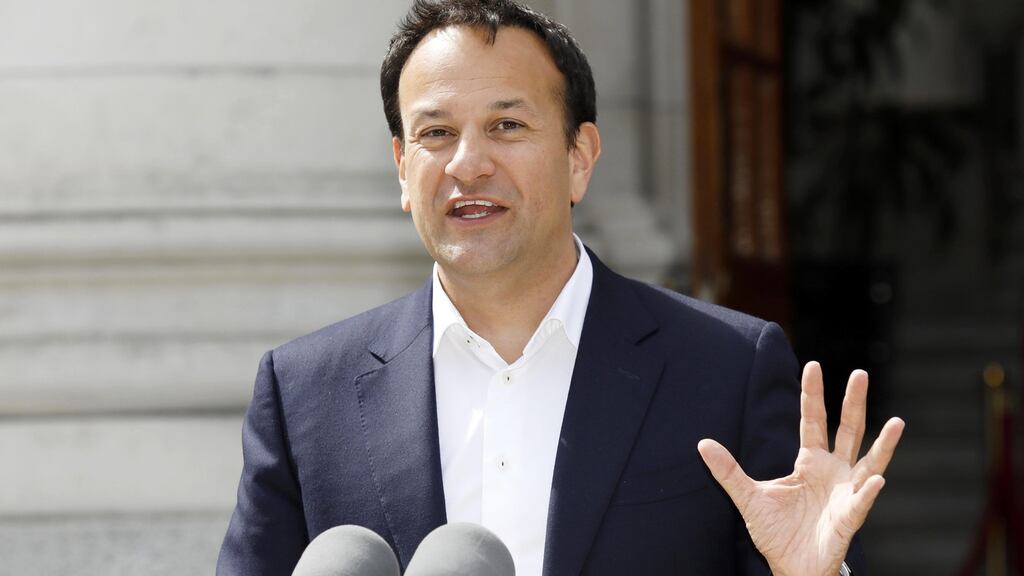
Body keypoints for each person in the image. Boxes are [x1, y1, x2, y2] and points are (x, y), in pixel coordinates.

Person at [217, 1, 905, 575]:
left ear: (579, 158)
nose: (468, 164)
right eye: (437, 132)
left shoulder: (725, 370)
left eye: (507, 126)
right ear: (402, 168)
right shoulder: (305, 395)